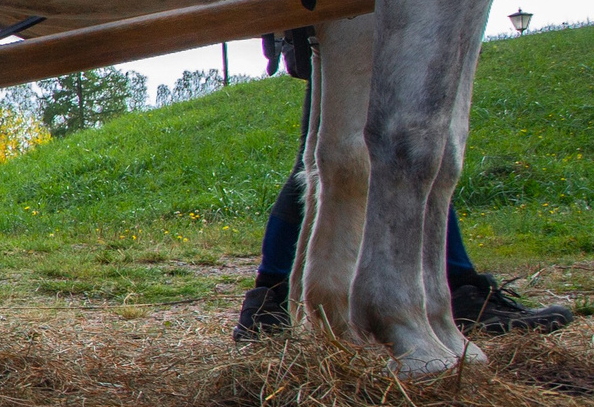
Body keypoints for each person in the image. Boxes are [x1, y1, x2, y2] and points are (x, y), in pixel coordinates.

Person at [235, 30, 571, 338]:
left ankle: (269, 298)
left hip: (346, 5)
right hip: (351, 6)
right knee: (369, 153)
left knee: (334, 154)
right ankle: (458, 289)